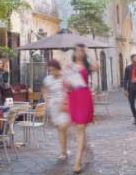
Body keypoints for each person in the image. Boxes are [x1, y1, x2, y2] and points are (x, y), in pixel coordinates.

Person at [66, 44, 95, 174]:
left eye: (81, 51)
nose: (79, 53)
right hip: (73, 97)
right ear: (74, 52)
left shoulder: (87, 66)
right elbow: (66, 84)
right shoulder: (70, 66)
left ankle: (77, 161)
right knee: (79, 129)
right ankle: (82, 150)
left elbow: (96, 65)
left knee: (80, 128)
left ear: (84, 53)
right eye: (77, 50)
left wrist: (89, 52)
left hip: (84, 97)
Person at [43, 59, 71, 160]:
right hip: (54, 106)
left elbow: (71, 89)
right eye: (49, 70)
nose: (51, 72)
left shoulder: (65, 77)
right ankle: (63, 151)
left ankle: (64, 150)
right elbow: (45, 90)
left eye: (53, 70)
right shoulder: (48, 79)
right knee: (60, 129)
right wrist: (46, 97)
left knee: (63, 127)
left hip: (64, 105)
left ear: (57, 68)